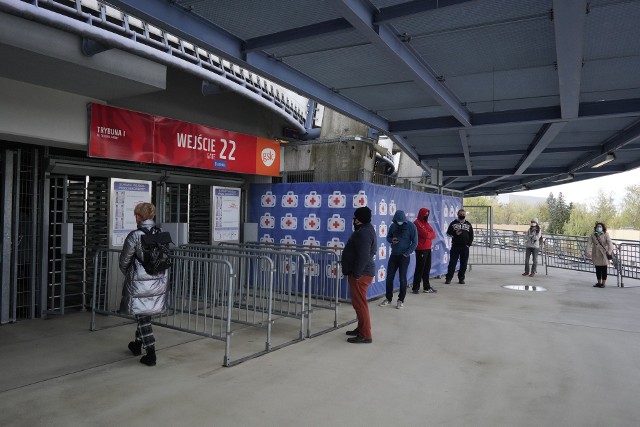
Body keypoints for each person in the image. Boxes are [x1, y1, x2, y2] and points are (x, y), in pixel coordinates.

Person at [119, 202, 169, 366]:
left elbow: (124, 261)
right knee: (144, 314)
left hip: (140, 282)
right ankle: (136, 345)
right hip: (158, 280)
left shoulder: (135, 235)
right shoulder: (160, 233)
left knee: (143, 318)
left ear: (139, 217)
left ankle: (151, 354)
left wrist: (130, 273)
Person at [341, 206, 376, 344]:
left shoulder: (364, 233)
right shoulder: (366, 229)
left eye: (355, 217)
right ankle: (361, 328)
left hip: (361, 274)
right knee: (358, 304)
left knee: (361, 305)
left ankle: (365, 334)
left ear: (359, 219)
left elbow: (363, 255)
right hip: (360, 272)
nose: (353, 220)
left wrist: (356, 273)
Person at [379, 210, 418, 309]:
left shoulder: (411, 226)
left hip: (404, 256)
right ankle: (388, 298)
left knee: (402, 278)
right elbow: (388, 237)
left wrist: (407, 253)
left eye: (400, 221)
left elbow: (415, 242)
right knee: (389, 278)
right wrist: (392, 240)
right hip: (394, 255)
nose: (399, 222)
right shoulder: (393, 226)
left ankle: (401, 300)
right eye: (397, 221)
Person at [412, 207, 437, 294]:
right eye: (425, 214)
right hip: (421, 249)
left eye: (427, 214)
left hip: (428, 248)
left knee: (427, 268)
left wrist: (428, 234)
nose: (426, 216)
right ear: (421, 214)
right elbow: (425, 234)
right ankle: (416, 287)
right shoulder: (417, 223)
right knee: (420, 268)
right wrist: (428, 234)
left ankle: (426, 287)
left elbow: (433, 234)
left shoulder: (426, 223)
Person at [445, 209, 473, 284]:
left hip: (465, 247)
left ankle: (461, 278)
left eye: (463, 214)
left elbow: (471, 235)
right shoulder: (453, 223)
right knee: (452, 263)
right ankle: (448, 278)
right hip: (455, 246)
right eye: (461, 214)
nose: (462, 215)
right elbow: (448, 233)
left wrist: (468, 244)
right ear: (458, 214)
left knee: (464, 263)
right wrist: (455, 234)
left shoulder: (468, 224)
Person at [585, 221, 614, 288]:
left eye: (600, 227)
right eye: (598, 227)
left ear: (603, 228)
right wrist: (587, 252)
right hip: (596, 253)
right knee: (597, 269)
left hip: (604, 253)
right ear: (596, 228)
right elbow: (589, 243)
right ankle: (599, 282)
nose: (599, 228)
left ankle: (603, 283)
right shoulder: (593, 235)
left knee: (604, 269)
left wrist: (610, 251)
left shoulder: (606, 234)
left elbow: (610, 243)